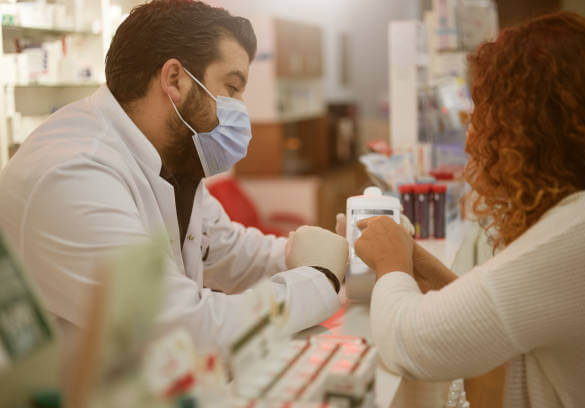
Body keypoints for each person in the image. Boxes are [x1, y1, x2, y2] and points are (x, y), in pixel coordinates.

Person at [0, 0, 345, 362]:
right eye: (232, 88)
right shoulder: (75, 173)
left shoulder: (169, 161)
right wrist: (320, 277)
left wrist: (316, 254)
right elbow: (185, 330)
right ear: (175, 79)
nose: (241, 108)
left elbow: (226, 249)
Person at [353, 12, 585, 408]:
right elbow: (492, 316)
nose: (472, 134)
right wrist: (418, 265)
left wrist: (392, 265)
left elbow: (410, 344)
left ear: (531, 127)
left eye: (484, 114)